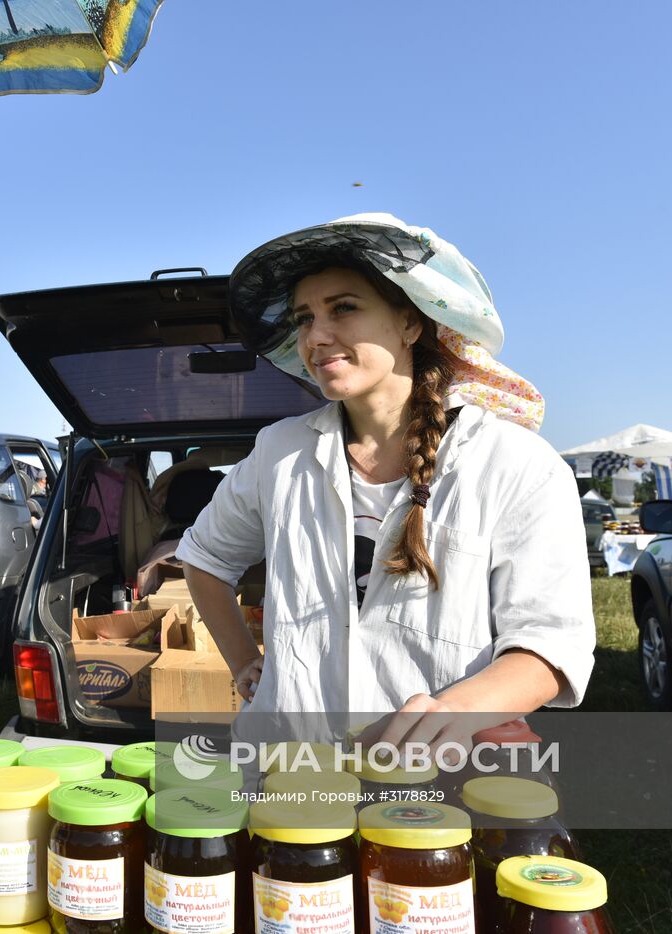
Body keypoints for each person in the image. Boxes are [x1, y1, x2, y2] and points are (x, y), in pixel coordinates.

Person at [175, 213, 595, 752]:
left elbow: (549, 646)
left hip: (438, 785)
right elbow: (205, 558)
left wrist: (452, 712)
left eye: (343, 308)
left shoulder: (515, 465)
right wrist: (245, 665)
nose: (316, 336)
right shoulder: (278, 452)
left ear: (410, 323)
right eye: (304, 318)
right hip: (289, 769)